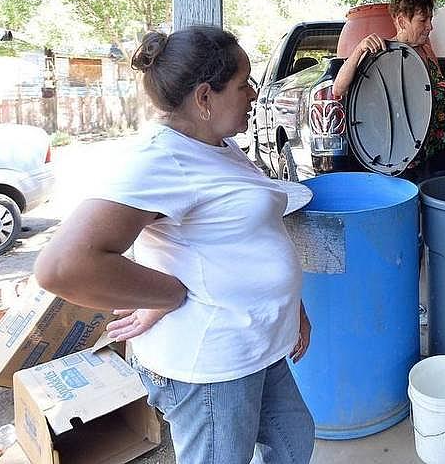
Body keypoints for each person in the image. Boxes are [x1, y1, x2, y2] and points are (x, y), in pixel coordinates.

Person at [33, 26, 315, 464]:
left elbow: (246, 237)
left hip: (256, 341)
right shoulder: (161, 160)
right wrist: (167, 294)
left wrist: (292, 305)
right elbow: (63, 266)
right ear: (205, 98)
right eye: (243, 85)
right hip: (213, 364)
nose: (254, 93)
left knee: (293, 439)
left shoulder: (217, 145)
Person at [333, 0, 445, 181]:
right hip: (410, 154)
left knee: (444, 201)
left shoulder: (426, 51)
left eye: (430, 19)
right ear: (401, 21)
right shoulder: (381, 53)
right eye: (423, 20)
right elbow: (338, 89)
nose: (430, 27)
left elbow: (444, 92)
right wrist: (358, 50)